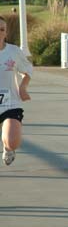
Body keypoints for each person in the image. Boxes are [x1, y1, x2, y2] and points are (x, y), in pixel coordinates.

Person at [0, 16, 32, 166]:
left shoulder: (13, 51)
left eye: (2, 29)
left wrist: (23, 87)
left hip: (10, 103)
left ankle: (8, 147)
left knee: (13, 141)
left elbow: (28, 71)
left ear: (6, 33)